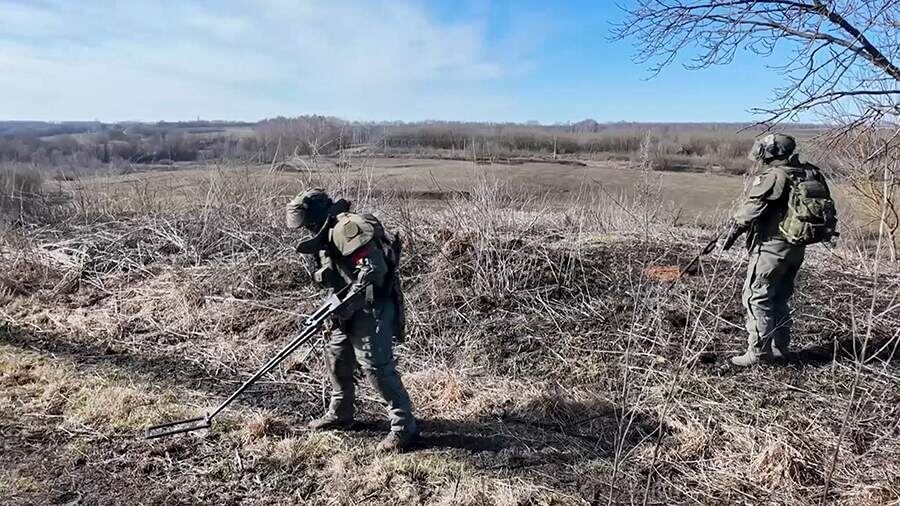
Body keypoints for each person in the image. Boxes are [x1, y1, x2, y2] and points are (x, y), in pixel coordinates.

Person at [286, 188, 418, 451]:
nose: (307, 230)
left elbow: (374, 270)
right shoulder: (327, 232)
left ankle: (404, 426)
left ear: (316, 215)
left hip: (372, 306)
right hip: (346, 306)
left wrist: (348, 304)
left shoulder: (347, 228)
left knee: (376, 366)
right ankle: (341, 413)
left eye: (308, 224)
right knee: (337, 356)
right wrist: (336, 307)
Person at [722, 134, 837, 367]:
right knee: (780, 297)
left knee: (757, 296)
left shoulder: (775, 176)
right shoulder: (809, 173)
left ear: (771, 153)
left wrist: (731, 231)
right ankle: (780, 347)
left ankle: (759, 353)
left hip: (772, 247)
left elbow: (751, 211)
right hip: (796, 247)